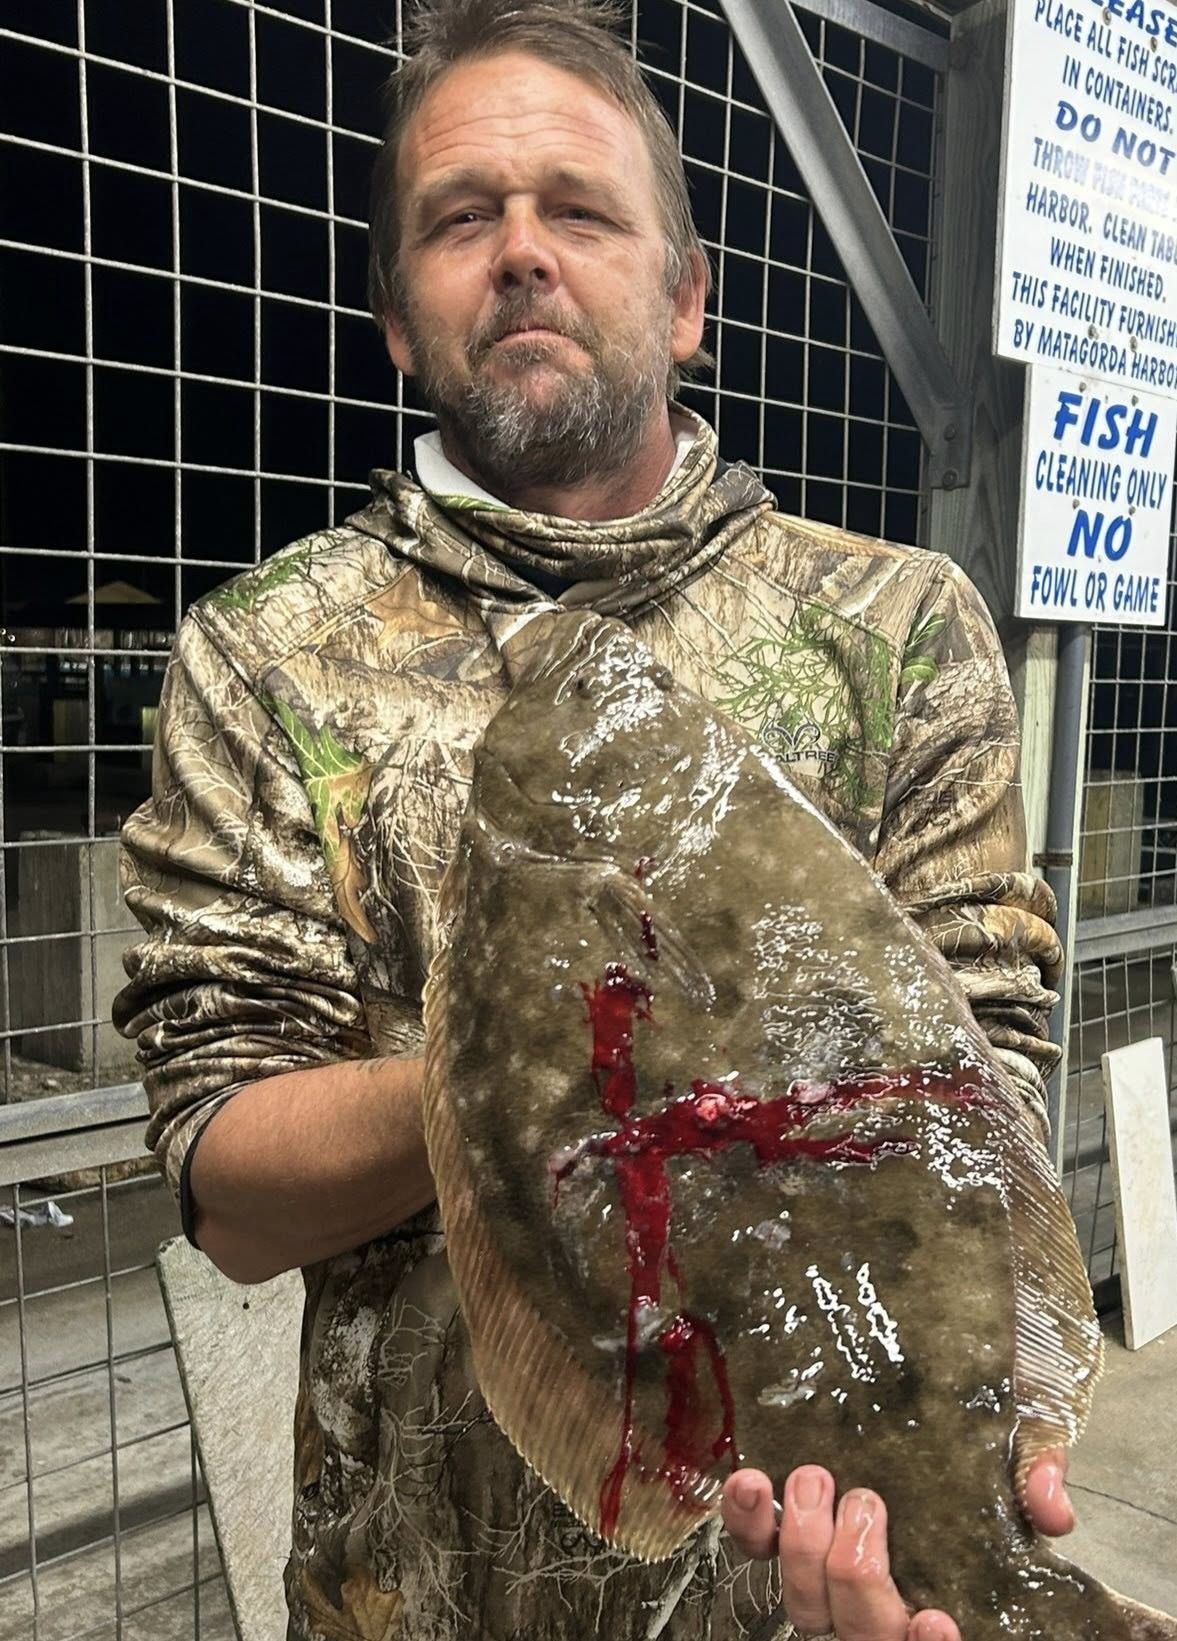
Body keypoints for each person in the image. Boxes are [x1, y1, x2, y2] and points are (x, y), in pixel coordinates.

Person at [114, 1, 1076, 1636]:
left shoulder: (900, 627)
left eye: (578, 207)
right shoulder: (262, 653)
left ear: (687, 298)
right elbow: (230, 1181)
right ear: (399, 324)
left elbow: (979, 1097)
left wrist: (993, 1478)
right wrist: (566, 1078)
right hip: (406, 1589)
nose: (519, 252)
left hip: (818, 1581)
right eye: (459, 215)